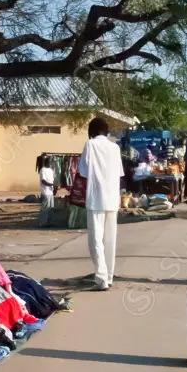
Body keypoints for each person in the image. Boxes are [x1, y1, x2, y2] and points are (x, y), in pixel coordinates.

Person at [78, 117, 124, 291]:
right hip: (112, 199)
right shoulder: (115, 147)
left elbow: (82, 171)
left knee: (96, 240)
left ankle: (101, 277)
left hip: (96, 198)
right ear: (107, 131)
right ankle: (109, 276)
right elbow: (119, 173)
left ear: (92, 131)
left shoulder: (90, 145)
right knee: (110, 240)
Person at [39, 157, 55, 227]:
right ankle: (42, 223)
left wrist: (54, 187)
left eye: (51, 162)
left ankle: (49, 222)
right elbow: (43, 181)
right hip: (45, 192)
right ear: (46, 162)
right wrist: (51, 185)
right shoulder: (43, 170)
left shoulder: (51, 170)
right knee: (45, 209)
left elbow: (52, 180)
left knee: (51, 208)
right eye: (49, 161)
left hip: (51, 192)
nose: (50, 163)